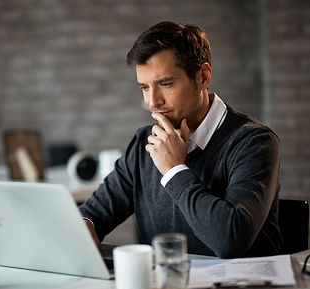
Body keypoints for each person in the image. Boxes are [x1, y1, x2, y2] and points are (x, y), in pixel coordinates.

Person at [79, 21, 282, 258]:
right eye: (145, 87)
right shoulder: (144, 142)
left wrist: (174, 169)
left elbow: (230, 240)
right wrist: (85, 224)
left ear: (203, 77)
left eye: (165, 84)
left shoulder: (254, 142)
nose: (153, 102)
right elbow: (95, 212)